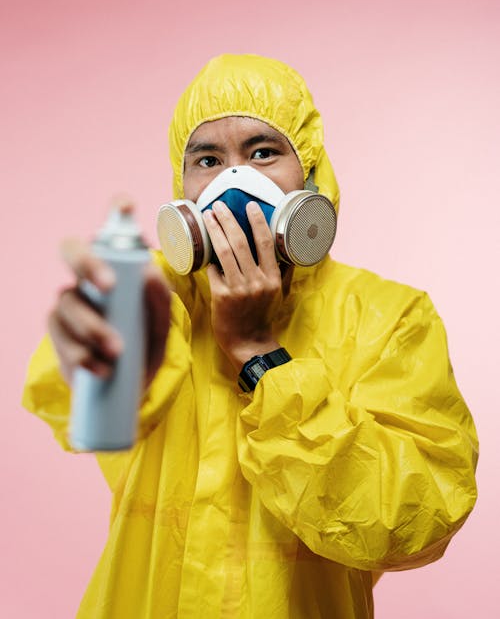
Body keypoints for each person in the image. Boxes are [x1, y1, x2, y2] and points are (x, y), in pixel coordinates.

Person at [23, 54, 478, 619]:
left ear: (308, 172)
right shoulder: (150, 296)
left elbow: (413, 522)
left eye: (263, 153)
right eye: (208, 159)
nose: (233, 182)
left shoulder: (389, 318)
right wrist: (89, 355)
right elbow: (85, 409)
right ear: (182, 189)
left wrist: (261, 355)